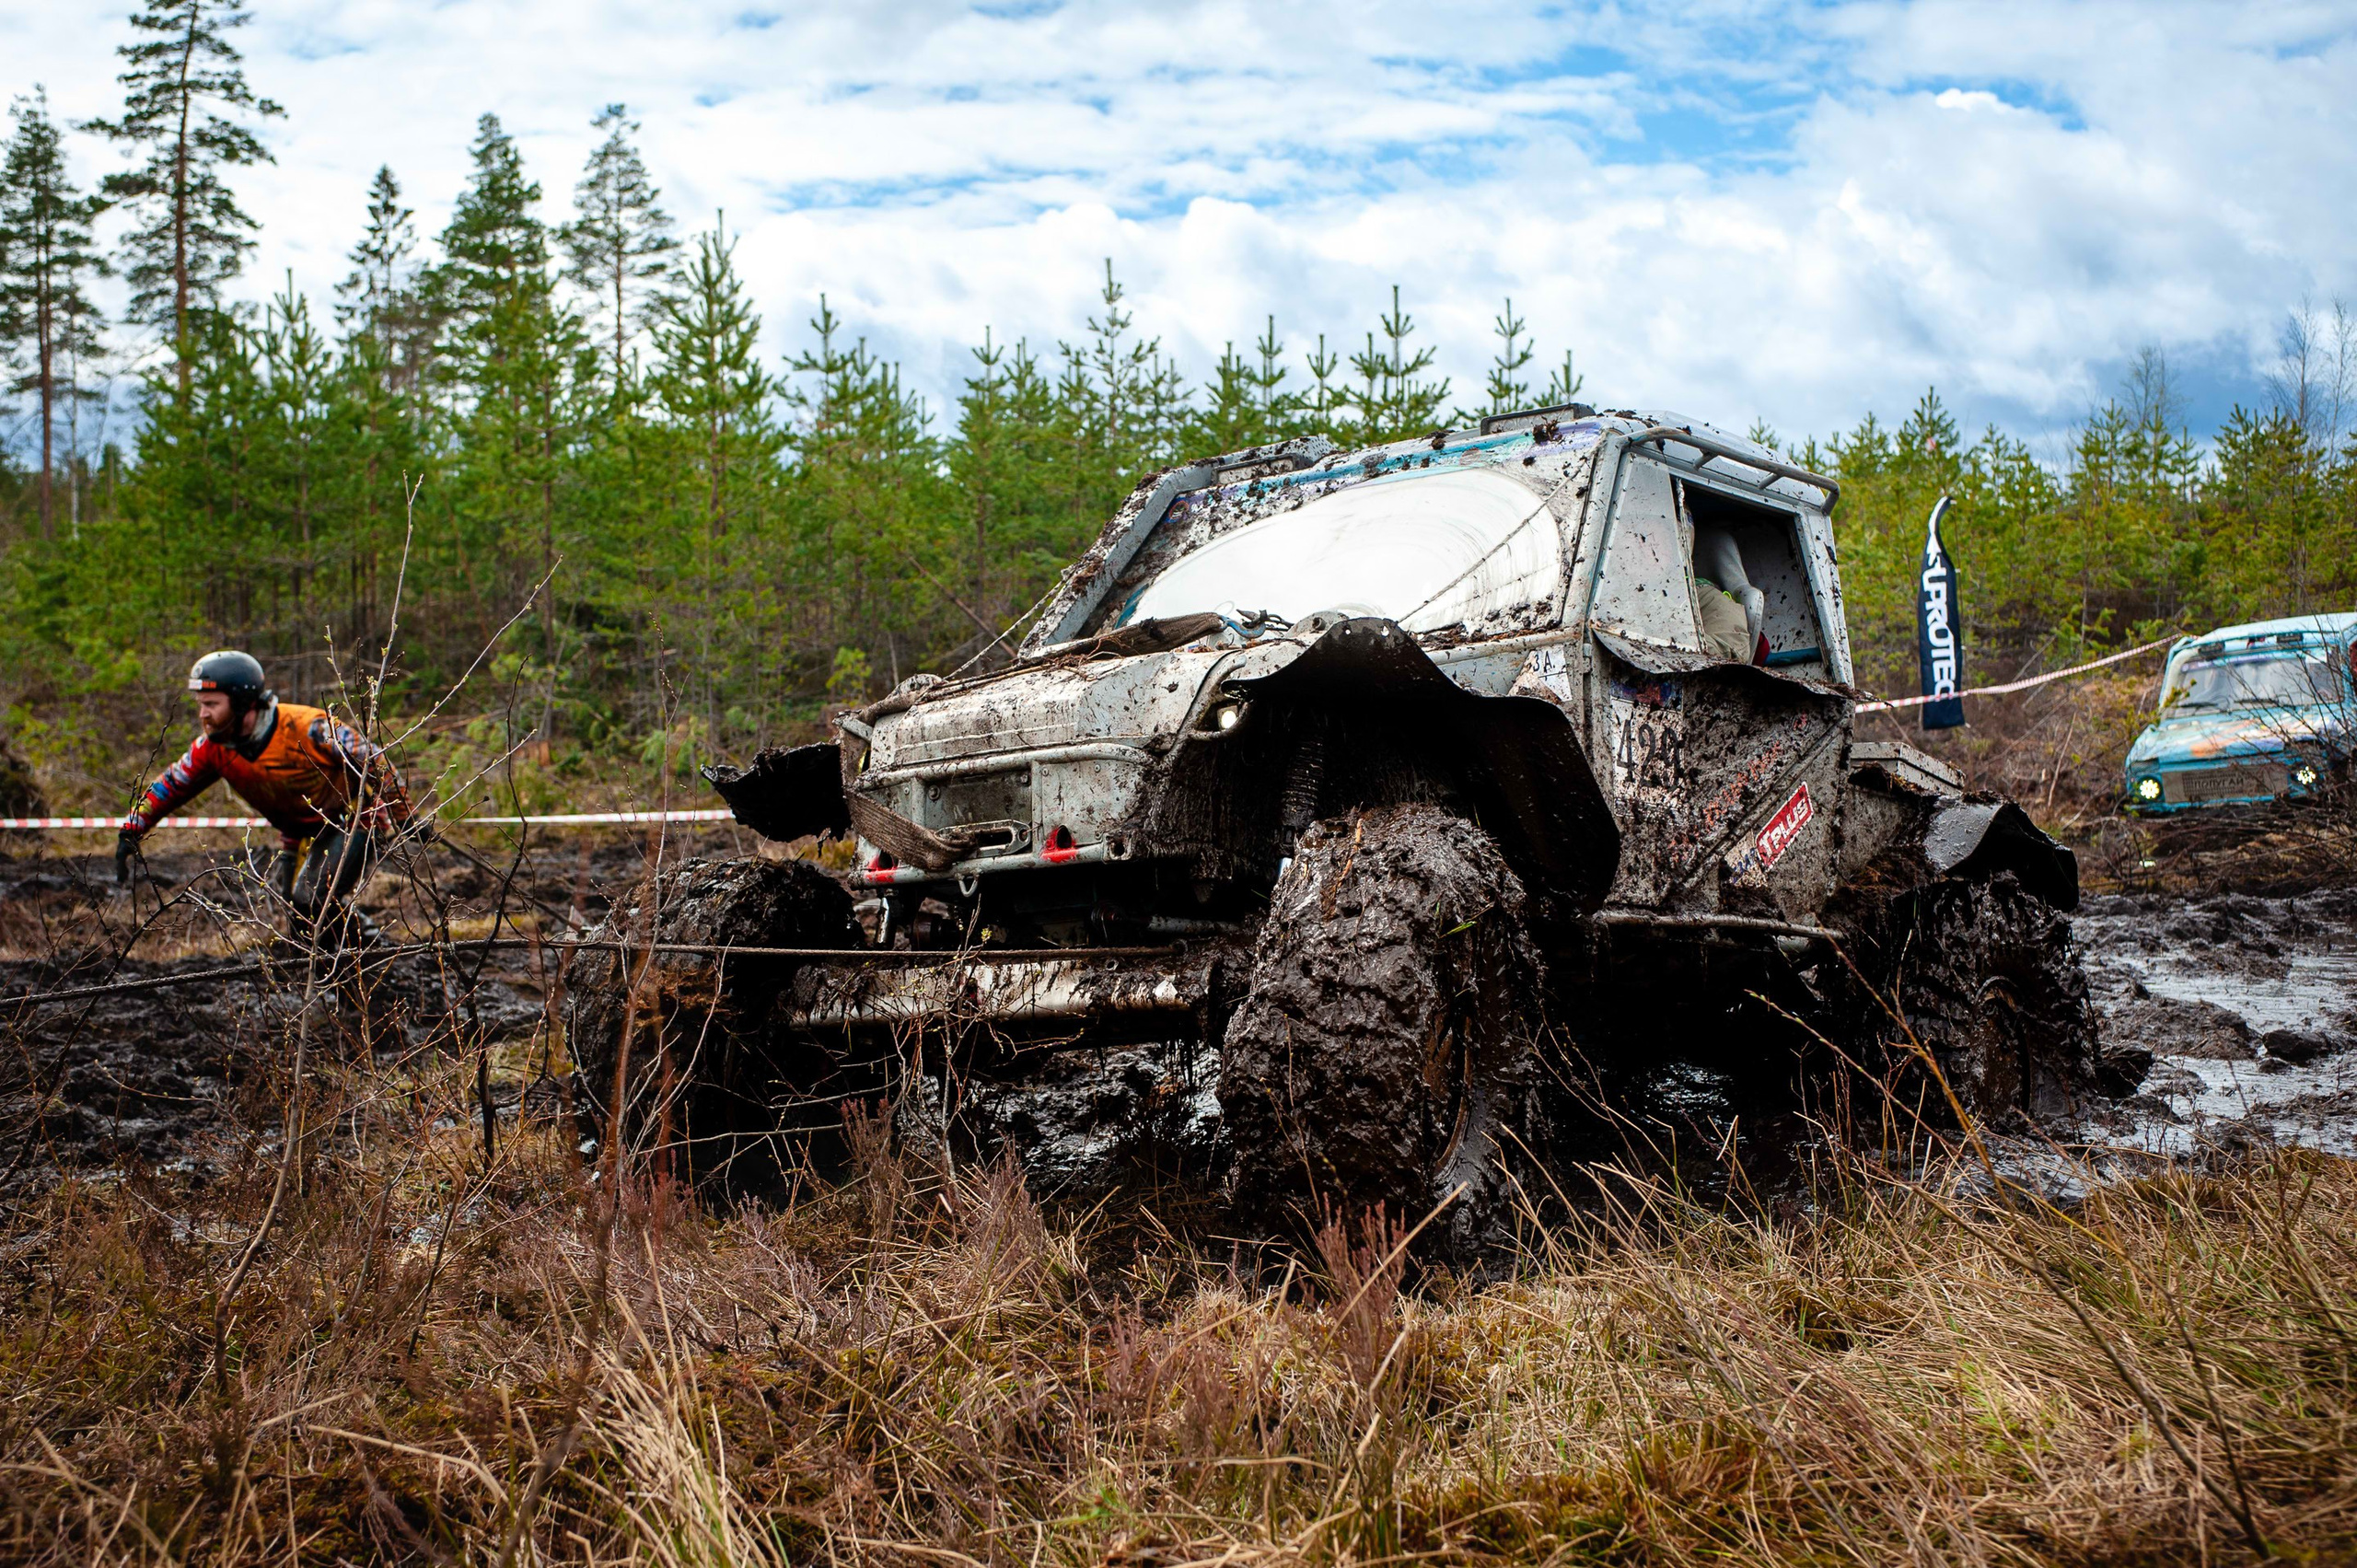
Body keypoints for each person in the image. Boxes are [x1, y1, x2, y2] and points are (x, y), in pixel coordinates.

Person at [116, 650, 417, 940]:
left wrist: (406, 817)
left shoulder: (307, 727)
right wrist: (132, 828)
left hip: (350, 820)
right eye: (200, 704)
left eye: (211, 704)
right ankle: (341, 971)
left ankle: (363, 963)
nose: (203, 714)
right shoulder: (212, 748)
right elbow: (171, 784)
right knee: (299, 919)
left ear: (243, 702)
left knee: (311, 900)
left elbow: (375, 759)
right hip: (300, 834)